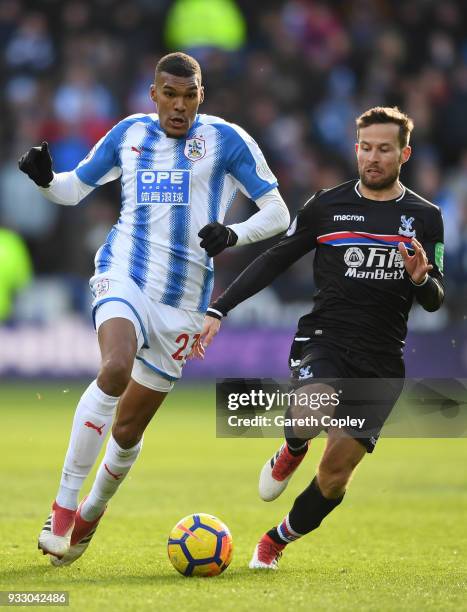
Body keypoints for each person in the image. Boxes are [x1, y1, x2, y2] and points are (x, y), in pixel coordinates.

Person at [18, 51, 290, 566]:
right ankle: (62, 508)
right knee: (115, 368)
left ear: (201, 97)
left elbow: (278, 212)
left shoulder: (227, 141)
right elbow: (75, 188)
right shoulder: (129, 134)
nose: (179, 106)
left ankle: (90, 514)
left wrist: (233, 232)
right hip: (125, 273)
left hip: (184, 305)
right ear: (153, 94)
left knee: (127, 431)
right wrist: (47, 181)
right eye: (170, 94)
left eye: (189, 96)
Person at [194, 107, 444, 569]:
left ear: (403, 153)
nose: (373, 157)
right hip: (325, 339)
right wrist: (219, 308)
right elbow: (275, 258)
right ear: (356, 148)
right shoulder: (326, 206)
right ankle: (291, 448)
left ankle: (275, 540)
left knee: (334, 476)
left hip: (382, 361)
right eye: (365, 147)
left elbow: (434, 298)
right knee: (312, 409)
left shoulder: (425, 219)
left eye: (384, 149)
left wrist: (420, 280)